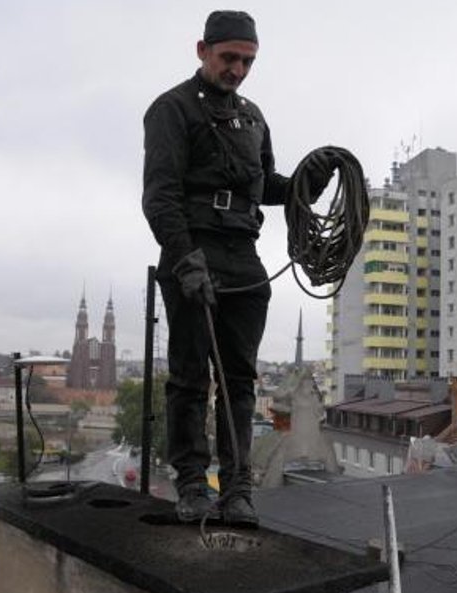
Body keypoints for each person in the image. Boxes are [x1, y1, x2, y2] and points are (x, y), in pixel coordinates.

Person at [142, 11, 326, 526]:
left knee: (240, 381)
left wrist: (304, 184)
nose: (238, 70)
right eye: (229, 58)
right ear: (202, 50)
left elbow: (262, 186)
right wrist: (184, 260)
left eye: (247, 61)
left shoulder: (253, 117)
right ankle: (192, 485)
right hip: (192, 251)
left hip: (243, 258)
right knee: (189, 379)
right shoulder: (171, 110)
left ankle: (238, 488)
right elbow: (160, 196)